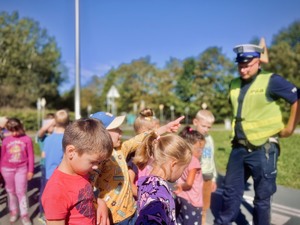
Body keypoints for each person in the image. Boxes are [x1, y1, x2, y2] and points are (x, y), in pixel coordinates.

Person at [214, 43, 300, 225]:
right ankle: (222, 222)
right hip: (238, 147)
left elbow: (296, 98)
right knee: (230, 191)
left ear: (258, 62)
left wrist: (290, 128)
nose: (243, 69)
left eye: (248, 64)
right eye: (240, 65)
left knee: (262, 197)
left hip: (264, 149)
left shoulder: (272, 81)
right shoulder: (233, 84)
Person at [90, 111, 184, 225]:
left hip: (131, 211)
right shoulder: (98, 160)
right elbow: (89, 188)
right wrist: (98, 203)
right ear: (101, 134)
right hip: (114, 218)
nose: (121, 131)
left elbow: (140, 138)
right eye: (116, 129)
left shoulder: (121, 150)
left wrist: (165, 128)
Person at [42, 118, 113, 225]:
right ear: (71, 152)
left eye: (99, 162)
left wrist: (100, 202)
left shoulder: (81, 172)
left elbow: (84, 197)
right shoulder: (56, 190)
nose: (96, 167)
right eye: (93, 162)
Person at [133, 131, 192, 225]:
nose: (182, 173)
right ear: (173, 164)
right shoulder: (159, 193)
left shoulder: (147, 182)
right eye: (183, 168)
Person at [0, 118, 34, 225]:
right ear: (8, 130)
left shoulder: (27, 139)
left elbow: (31, 156)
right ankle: (14, 211)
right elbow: (2, 156)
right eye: (11, 131)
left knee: (21, 192)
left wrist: (31, 170)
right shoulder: (5, 140)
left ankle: (24, 215)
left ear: (20, 127)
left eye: (16, 130)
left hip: (21, 169)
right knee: (11, 192)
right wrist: (1, 170)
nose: (14, 133)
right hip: (6, 169)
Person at [174, 126, 206, 225]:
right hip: (192, 202)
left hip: (181, 197)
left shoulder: (182, 159)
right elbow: (189, 183)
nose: (201, 152)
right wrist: (181, 186)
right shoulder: (194, 161)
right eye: (199, 149)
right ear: (189, 147)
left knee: (180, 221)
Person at [193, 109, 217, 225]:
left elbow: (212, 159)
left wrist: (213, 179)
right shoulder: (191, 138)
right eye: (203, 126)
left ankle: (202, 221)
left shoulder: (209, 139)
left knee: (205, 203)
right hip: (195, 176)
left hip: (207, 175)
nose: (206, 130)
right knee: (192, 202)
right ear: (195, 122)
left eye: (209, 127)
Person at [36, 112, 55, 223]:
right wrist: (52, 122)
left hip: (55, 167)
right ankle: (42, 212)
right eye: (50, 124)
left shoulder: (58, 134)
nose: (53, 126)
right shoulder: (43, 136)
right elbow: (41, 131)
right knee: (45, 190)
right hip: (45, 167)